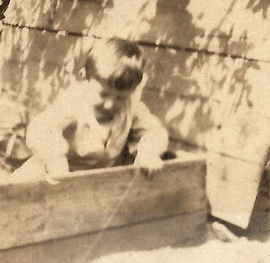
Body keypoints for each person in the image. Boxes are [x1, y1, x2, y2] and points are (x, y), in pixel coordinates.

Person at [15, 38, 168, 180]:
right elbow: (41, 127)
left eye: (121, 97)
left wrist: (149, 152)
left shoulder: (130, 106)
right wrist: (55, 159)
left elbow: (153, 131)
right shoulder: (74, 102)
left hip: (93, 184)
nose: (110, 104)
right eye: (103, 94)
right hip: (50, 176)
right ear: (84, 77)